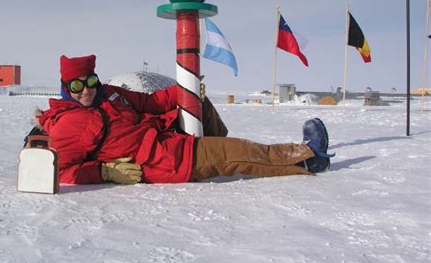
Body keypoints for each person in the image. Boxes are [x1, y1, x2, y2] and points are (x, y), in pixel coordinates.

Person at [32, 54, 334, 185]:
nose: (85, 90)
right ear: (65, 88)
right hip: (166, 159)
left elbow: (150, 102)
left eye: (90, 81)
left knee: (201, 110)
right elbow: (62, 171)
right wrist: (106, 172)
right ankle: (308, 158)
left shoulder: (109, 94)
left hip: (165, 134)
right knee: (238, 153)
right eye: (76, 85)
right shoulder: (69, 124)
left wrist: (185, 90)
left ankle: (221, 149)